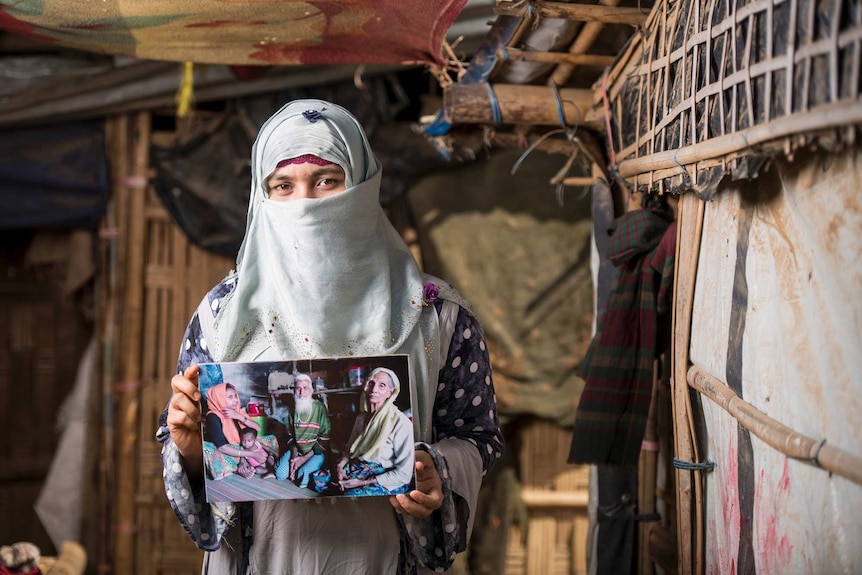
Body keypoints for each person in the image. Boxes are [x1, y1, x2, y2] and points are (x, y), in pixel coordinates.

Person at [158, 98, 504, 574]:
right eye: (283, 185)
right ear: (262, 197)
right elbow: (191, 457)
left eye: (326, 180)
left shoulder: (437, 317)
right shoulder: (222, 317)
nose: (305, 203)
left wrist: (434, 473)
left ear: (362, 184)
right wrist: (191, 446)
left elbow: (476, 437)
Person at [336, 367, 413, 496]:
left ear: (390, 392)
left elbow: (404, 473)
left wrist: (361, 483)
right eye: (371, 383)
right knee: (318, 479)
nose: (374, 389)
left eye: (381, 386)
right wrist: (341, 465)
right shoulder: (361, 418)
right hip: (362, 466)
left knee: (350, 496)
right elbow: (350, 448)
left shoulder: (400, 422)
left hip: (386, 475)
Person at [273, 373, 331, 488]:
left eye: (305, 388)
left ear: (311, 390)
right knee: (280, 475)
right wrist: (294, 457)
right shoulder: (292, 409)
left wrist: (303, 459)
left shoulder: (319, 408)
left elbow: (325, 438)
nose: (301, 392)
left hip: (315, 453)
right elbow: (290, 436)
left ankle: (304, 466)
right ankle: (297, 464)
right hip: (298, 450)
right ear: (294, 390)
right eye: (298, 388)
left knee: (301, 480)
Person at [203, 382, 267, 469]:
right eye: (230, 397)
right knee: (210, 451)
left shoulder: (237, 411)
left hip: (244, 445)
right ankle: (241, 466)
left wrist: (239, 416)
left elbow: (258, 428)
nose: (236, 400)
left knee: (270, 439)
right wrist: (253, 454)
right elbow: (222, 448)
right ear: (219, 398)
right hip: (228, 450)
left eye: (235, 396)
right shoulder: (213, 417)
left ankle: (245, 464)